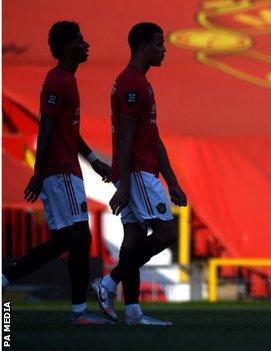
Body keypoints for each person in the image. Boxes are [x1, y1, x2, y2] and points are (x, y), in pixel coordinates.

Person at [2, 21, 113, 325]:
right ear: (67, 48)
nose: (86, 45)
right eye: (80, 40)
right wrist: (38, 172)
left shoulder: (67, 79)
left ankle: (4, 279)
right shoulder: (57, 80)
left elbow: (68, 131)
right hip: (59, 171)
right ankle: (79, 312)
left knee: (66, 240)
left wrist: (93, 160)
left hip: (67, 169)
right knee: (79, 236)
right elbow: (47, 127)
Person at [90, 22, 187, 326]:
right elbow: (127, 137)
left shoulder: (138, 82)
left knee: (133, 237)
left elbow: (153, 137)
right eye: (159, 44)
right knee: (168, 232)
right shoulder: (132, 84)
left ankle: (132, 311)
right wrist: (127, 183)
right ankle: (107, 283)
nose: (164, 49)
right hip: (138, 172)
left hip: (138, 170)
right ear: (144, 46)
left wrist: (172, 180)